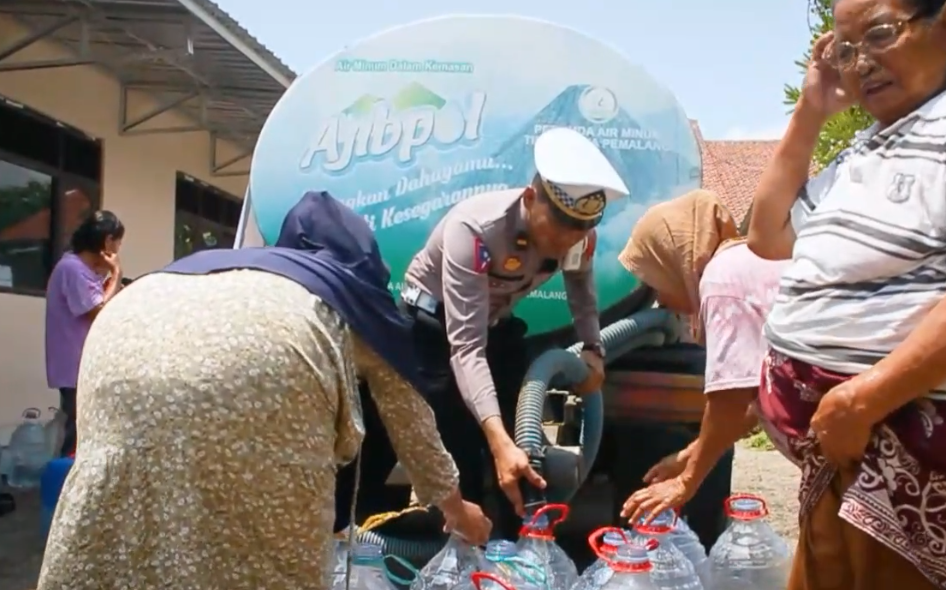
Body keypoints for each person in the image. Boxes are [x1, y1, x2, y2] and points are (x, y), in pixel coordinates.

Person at [36, 191, 491, 590]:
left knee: (125, 524)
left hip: (123, 324)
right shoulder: (343, 294)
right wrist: (456, 507)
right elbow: (413, 428)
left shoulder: (225, 270)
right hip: (248, 381)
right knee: (263, 550)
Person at [743, 0, 946, 588]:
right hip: (843, 446)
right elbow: (766, 234)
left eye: (880, 34)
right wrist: (811, 110)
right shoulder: (865, 150)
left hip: (898, 440)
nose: (862, 64)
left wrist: (862, 402)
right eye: (846, 50)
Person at [383, 127, 629, 535]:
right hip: (431, 327)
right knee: (463, 442)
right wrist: (496, 440)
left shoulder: (577, 235)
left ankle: (514, 545)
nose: (564, 242)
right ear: (531, 199)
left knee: (522, 435)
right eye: (556, 229)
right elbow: (465, 348)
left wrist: (592, 348)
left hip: (492, 326)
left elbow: (582, 294)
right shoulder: (476, 230)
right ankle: (460, 550)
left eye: (580, 230)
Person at [615, 191, 790, 521]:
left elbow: (731, 400)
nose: (661, 300)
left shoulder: (723, 278)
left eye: (656, 280)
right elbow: (756, 404)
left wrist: (685, 482)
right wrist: (690, 456)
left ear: (675, 259)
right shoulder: (747, 261)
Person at [43, 209, 124, 456]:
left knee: (85, 429)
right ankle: (66, 485)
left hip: (85, 364)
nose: (118, 249)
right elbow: (97, 311)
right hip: (75, 366)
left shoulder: (84, 271)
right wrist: (116, 274)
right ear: (108, 240)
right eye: (117, 242)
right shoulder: (72, 269)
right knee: (78, 433)